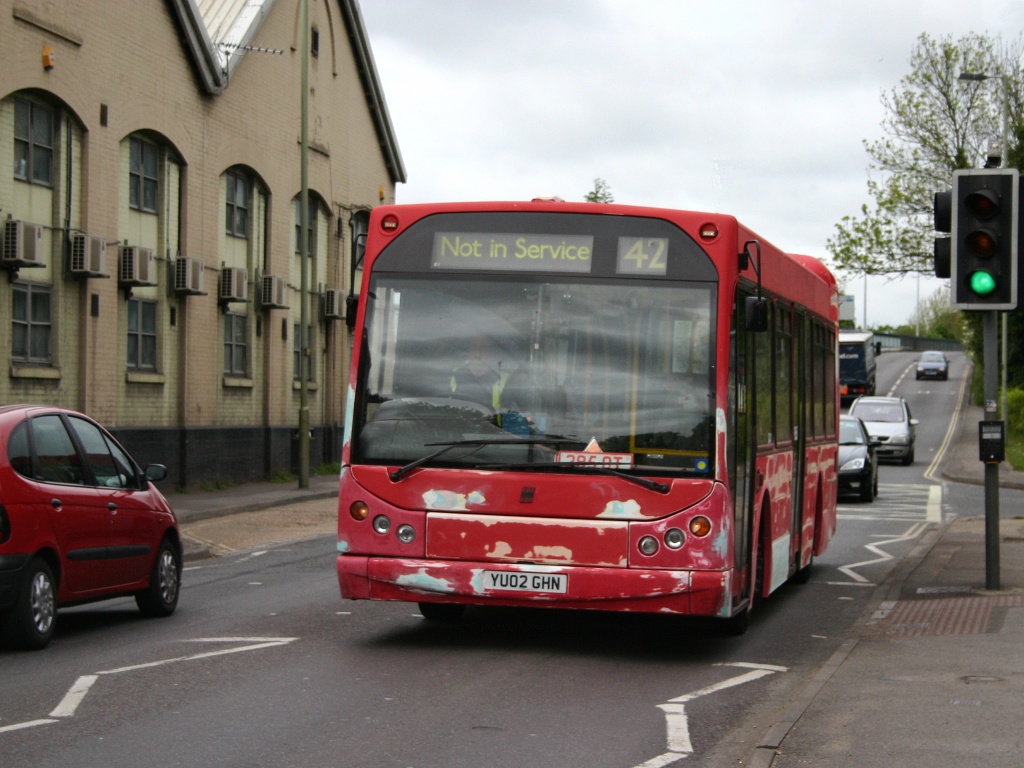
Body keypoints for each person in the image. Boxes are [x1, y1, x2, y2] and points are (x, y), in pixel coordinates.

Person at [449, 334, 508, 410]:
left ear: (491, 351)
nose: (478, 352)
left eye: (484, 347)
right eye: (474, 347)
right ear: (469, 349)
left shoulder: (504, 380)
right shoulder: (455, 373)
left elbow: (509, 415)